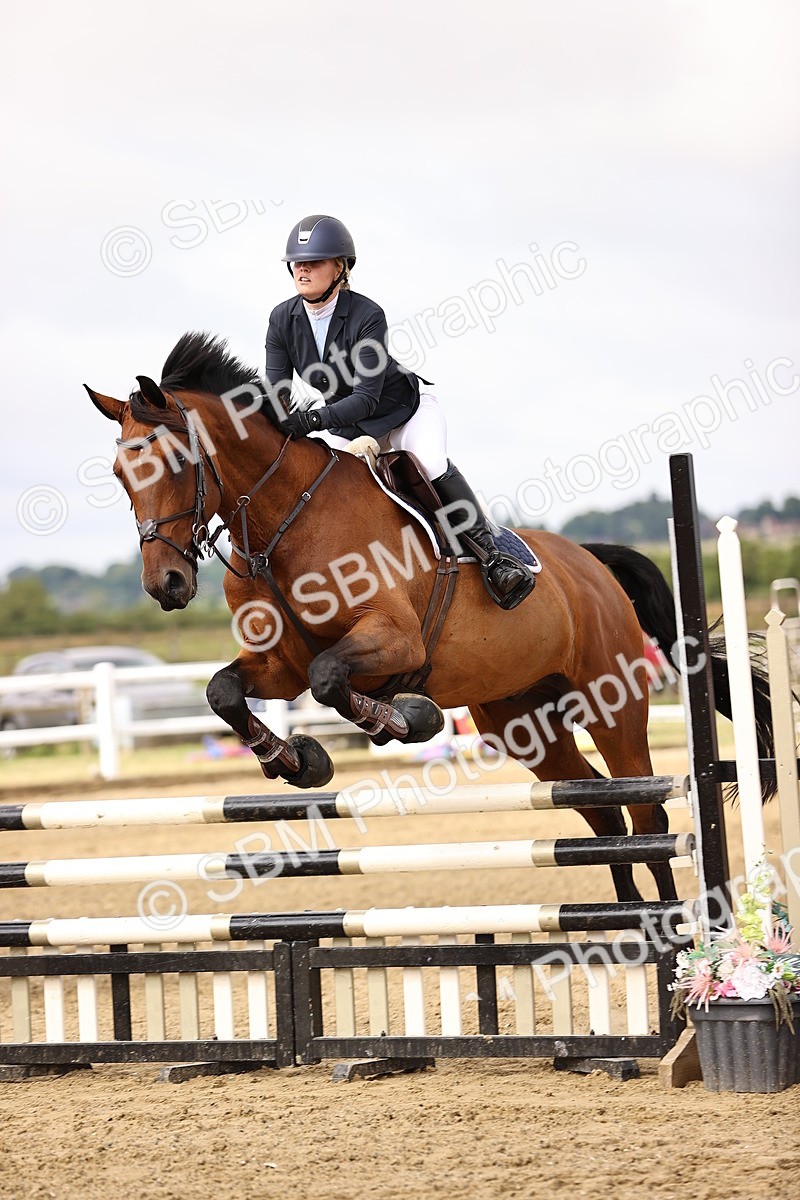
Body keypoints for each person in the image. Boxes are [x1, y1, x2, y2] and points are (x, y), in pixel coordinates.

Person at [264, 214, 535, 609]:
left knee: (429, 463)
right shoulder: (281, 319)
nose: (302, 269)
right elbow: (277, 391)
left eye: (315, 262)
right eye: (298, 262)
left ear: (340, 268)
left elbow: (367, 398)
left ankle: (494, 558)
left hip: (402, 413)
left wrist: (314, 420)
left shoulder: (366, 315)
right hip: (348, 424)